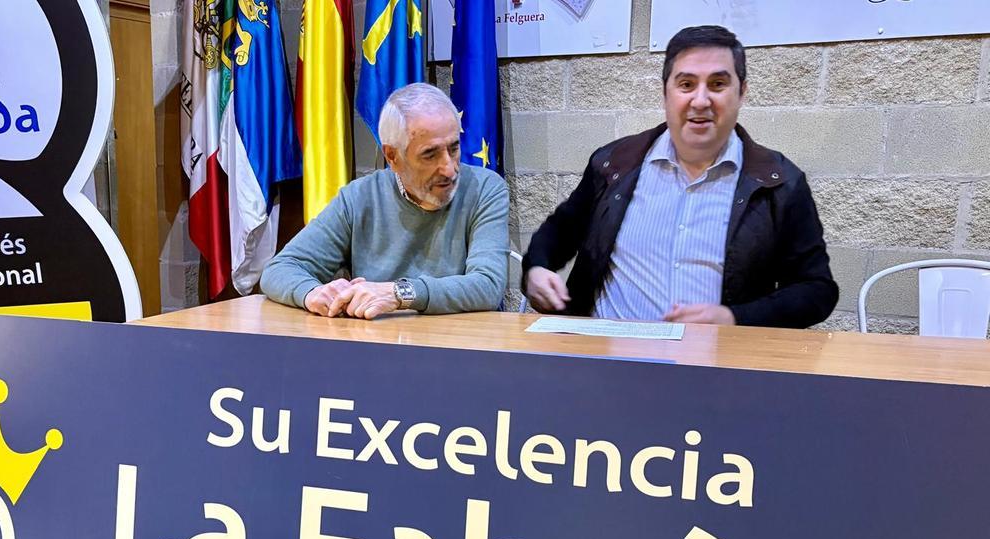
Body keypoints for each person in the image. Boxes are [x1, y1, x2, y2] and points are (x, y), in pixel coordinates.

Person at [522, 25, 838, 328]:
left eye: (717, 84)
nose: (700, 101)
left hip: (716, 367)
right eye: (686, 84)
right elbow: (559, 231)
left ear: (741, 92)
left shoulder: (780, 182)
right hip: (605, 360)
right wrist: (537, 268)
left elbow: (816, 290)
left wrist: (735, 318)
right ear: (666, 93)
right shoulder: (614, 164)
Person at [260, 83, 508, 319]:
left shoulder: (484, 188)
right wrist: (313, 293)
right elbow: (281, 268)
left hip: (462, 347)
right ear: (392, 156)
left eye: (453, 148)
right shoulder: (359, 198)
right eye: (430, 154)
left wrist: (399, 293)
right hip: (378, 346)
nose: (449, 168)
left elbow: (488, 285)